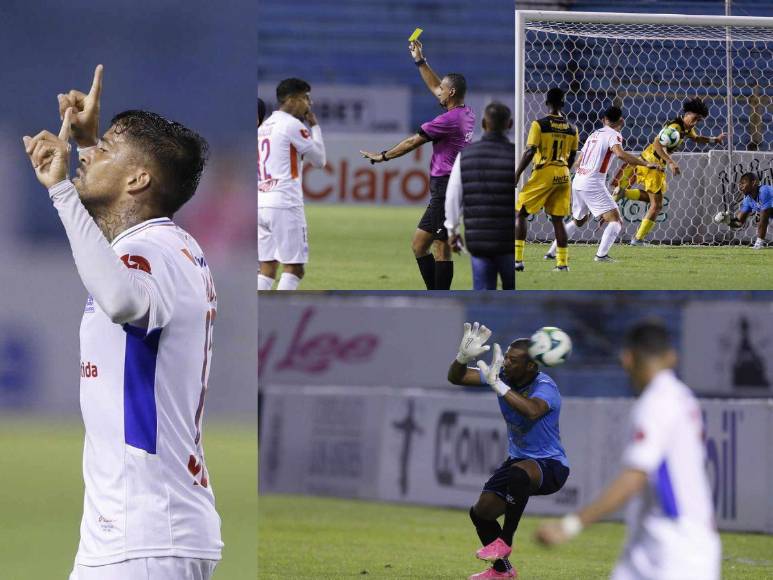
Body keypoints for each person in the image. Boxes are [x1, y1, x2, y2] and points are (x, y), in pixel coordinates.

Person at [24, 65, 222, 579]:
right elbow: (110, 252)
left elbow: (120, 300)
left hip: (148, 537)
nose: (85, 156)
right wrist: (92, 143)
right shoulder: (163, 245)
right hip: (130, 536)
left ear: (138, 179)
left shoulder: (154, 250)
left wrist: (61, 191)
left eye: (105, 149)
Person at [535, 320, 720, 580]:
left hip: (675, 549)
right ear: (671, 357)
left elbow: (635, 476)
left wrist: (571, 525)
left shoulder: (656, 403)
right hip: (658, 540)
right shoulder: (682, 396)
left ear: (627, 359)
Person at [448, 322, 570, 579]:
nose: (505, 362)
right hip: (518, 461)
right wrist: (462, 358)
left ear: (531, 366)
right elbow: (457, 377)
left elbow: (532, 411)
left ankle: (505, 540)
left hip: (550, 466)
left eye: (513, 360)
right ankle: (502, 571)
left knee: (518, 474)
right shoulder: (501, 376)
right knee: (481, 513)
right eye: (506, 356)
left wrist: (499, 386)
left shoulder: (546, 387)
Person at [361, 38, 475, 290]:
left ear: (451, 93)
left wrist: (383, 156)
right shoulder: (466, 113)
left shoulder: (447, 121)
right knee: (421, 246)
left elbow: (413, 142)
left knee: (439, 247)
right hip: (448, 186)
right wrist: (420, 60)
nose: (438, 91)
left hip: (446, 187)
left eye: (442, 89)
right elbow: (435, 86)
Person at [545, 106, 657, 262]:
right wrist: (645, 164)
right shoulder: (614, 135)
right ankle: (601, 255)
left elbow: (578, 161)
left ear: (604, 120)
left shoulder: (594, 134)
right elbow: (620, 154)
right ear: (621, 121)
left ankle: (550, 253)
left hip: (578, 180)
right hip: (592, 183)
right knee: (616, 221)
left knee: (579, 221)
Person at [612, 97, 725, 245]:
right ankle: (637, 239)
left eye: (699, 120)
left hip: (647, 161)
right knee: (656, 205)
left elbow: (696, 139)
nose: (696, 122)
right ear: (687, 113)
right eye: (695, 118)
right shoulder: (674, 128)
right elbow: (657, 144)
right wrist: (671, 162)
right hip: (653, 165)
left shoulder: (685, 127)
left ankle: (623, 193)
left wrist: (714, 140)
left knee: (652, 200)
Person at [258, 78, 326, 290]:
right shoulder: (291, 125)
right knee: (294, 268)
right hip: (284, 202)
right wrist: (314, 126)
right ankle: (278, 310)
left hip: (261, 202)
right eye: (306, 98)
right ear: (292, 100)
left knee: (267, 268)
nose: (309, 103)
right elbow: (319, 160)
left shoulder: (264, 126)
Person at [444, 102, 515, 290]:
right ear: (510, 124)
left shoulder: (465, 155)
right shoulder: (517, 157)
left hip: (478, 241)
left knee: (483, 293)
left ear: (483, 124)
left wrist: (452, 231)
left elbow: (453, 196)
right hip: (510, 241)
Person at [515, 88, 578, 272]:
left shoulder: (539, 125)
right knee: (558, 220)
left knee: (521, 212)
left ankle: (517, 261)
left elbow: (530, 151)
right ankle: (562, 264)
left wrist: (517, 173)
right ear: (563, 103)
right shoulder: (572, 128)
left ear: (546, 103)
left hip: (544, 172)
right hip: (563, 174)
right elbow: (573, 155)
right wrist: (563, 169)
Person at [715, 172, 771, 249]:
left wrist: (759, 243)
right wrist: (728, 221)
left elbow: (764, 218)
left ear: (753, 183)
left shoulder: (764, 191)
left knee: (760, 217)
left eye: (743, 183)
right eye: (739, 184)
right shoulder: (748, 199)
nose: (740, 187)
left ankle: (759, 243)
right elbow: (739, 222)